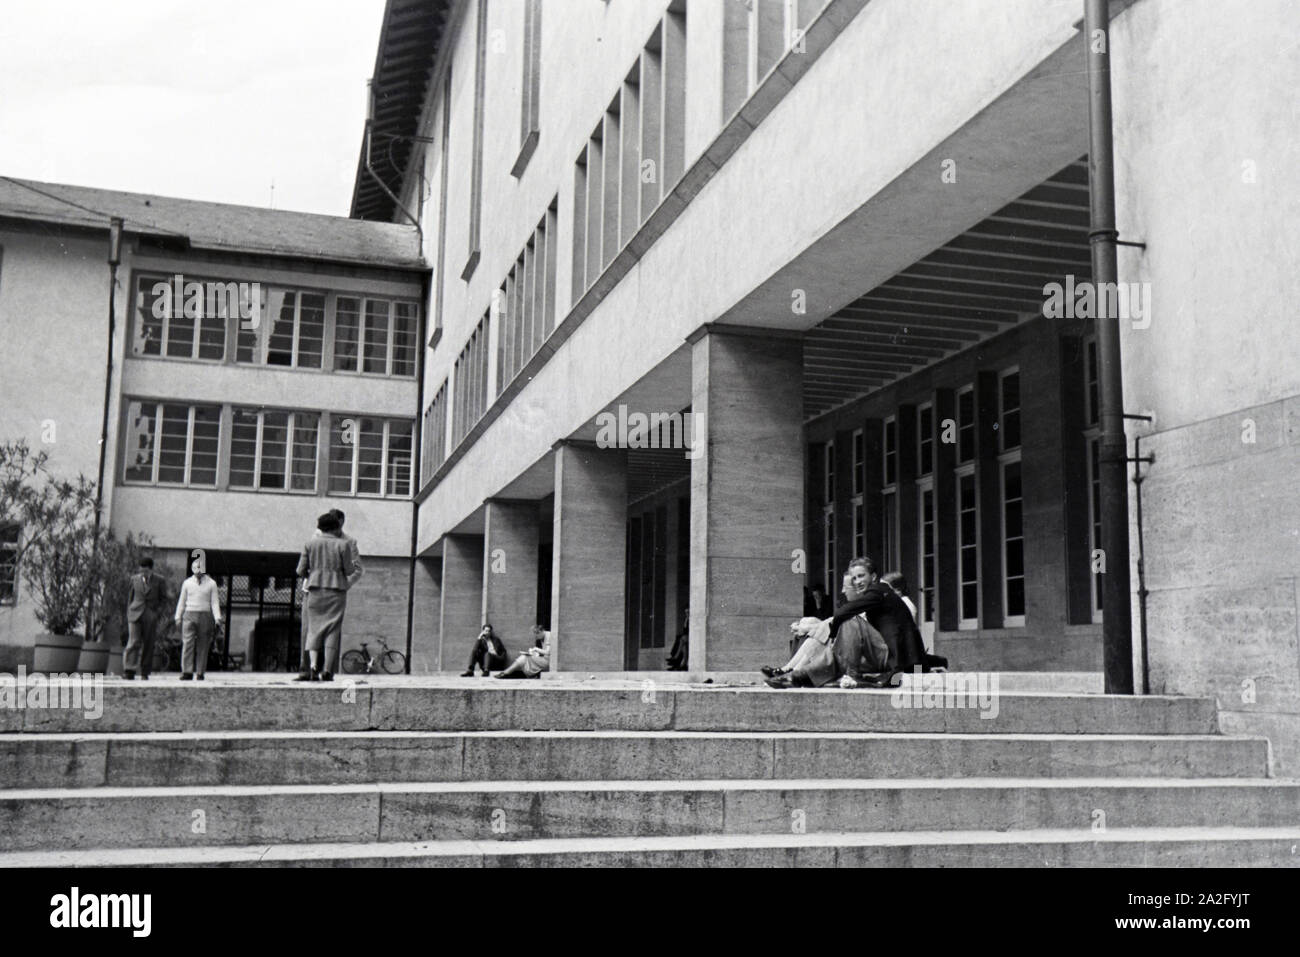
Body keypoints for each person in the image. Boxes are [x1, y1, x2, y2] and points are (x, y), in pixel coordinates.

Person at [763, 571, 891, 688]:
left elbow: (843, 623)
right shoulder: (870, 600)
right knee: (827, 635)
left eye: (846, 587)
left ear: (873, 577)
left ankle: (794, 673)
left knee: (838, 625)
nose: (842, 591)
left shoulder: (877, 597)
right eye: (855, 579)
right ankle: (794, 673)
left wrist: (811, 628)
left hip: (873, 655)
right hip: (860, 651)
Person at [829, 557, 946, 676]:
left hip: (894, 661)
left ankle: (850, 675)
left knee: (850, 621)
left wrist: (832, 635)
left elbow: (841, 613)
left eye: (861, 576)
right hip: (904, 661)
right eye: (854, 578)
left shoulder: (876, 593)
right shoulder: (883, 592)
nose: (857, 582)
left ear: (873, 576)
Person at [295, 511, 361, 682]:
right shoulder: (343, 544)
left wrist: (313, 575)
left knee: (313, 629)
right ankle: (326, 671)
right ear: (337, 525)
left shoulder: (310, 543)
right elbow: (350, 569)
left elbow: (300, 570)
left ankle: (312, 666)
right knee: (333, 629)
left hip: (315, 590)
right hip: (336, 590)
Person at [174, 557, 223, 681]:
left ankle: (200, 672)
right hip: (189, 613)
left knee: (203, 645)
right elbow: (182, 601)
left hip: (205, 614)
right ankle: (187, 671)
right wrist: (178, 616)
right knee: (187, 643)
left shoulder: (211, 583)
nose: (198, 571)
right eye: (195, 568)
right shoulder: (187, 583)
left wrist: (217, 618)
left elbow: (214, 602)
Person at [123, 557, 167, 680]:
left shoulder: (160, 580)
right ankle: (129, 670)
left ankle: (145, 671)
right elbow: (129, 598)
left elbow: (163, 599)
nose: (143, 574)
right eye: (141, 571)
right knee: (133, 641)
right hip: (135, 613)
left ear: (151, 570)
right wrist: (129, 612)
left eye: (146, 571)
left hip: (150, 614)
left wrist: (156, 614)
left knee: (149, 643)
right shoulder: (134, 579)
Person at [882, 571, 931, 654]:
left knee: (917, 667)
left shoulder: (905, 604)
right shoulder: (897, 603)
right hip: (908, 649)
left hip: (910, 651)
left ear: (897, 590)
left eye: (885, 588)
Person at [666, 607, 689, 671]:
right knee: (683, 646)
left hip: (691, 637)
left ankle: (676, 657)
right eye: (686, 612)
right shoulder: (686, 619)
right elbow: (684, 630)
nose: (687, 614)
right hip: (686, 638)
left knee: (681, 639)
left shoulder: (691, 619)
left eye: (688, 612)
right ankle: (683, 665)